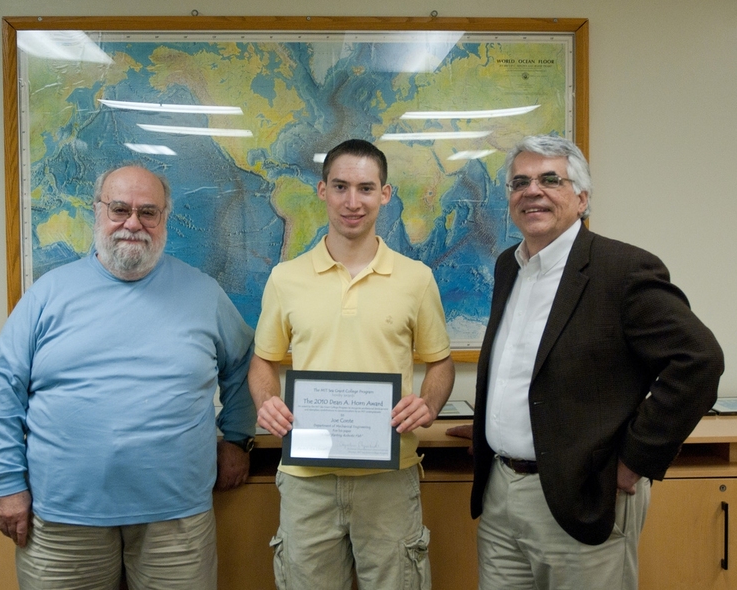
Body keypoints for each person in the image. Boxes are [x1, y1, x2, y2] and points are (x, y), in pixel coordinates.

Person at [447, 134, 724, 590]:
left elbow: (699, 360)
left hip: (583, 494)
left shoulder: (622, 269)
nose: (532, 191)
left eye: (550, 179)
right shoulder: (508, 266)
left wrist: (636, 459)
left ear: (582, 197)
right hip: (500, 495)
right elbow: (528, 367)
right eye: (520, 182)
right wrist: (493, 425)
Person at [0, 164, 257, 590]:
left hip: (176, 517)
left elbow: (243, 363)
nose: (133, 223)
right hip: (62, 519)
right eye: (120, 209)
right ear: (98, 211)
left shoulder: (204, 293)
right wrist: (7, 484)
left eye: (148, 212)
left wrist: (237, 438)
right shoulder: (48, 295)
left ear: (165, 217)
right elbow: (1, 391)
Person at [248, 139, 455, 590]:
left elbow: (440, 364)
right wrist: (267, 402)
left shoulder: (417, 279)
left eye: (366, 188)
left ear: (385, 194)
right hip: (307, 478)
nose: (352, 202)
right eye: (340, 187)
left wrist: (429, 404)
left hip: (389, 475)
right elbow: (263, 361)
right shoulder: (285, 278)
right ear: (322, 190)